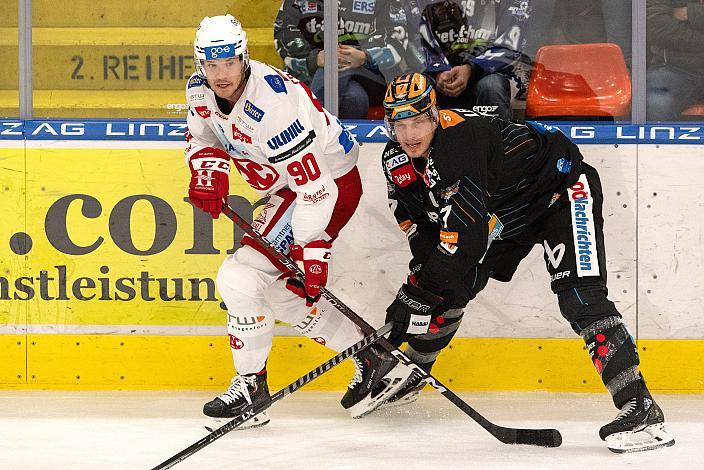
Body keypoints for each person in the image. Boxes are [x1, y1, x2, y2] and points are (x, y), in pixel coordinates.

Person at [372, 72, 675, 453]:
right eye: (400, 124)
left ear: (434, 116)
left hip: (562, 191)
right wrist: (419, 286)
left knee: (580, 298)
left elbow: (465, 242)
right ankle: (413, 372)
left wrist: (416, 291)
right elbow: (422, 227)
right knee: (451, 284)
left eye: (417, 121)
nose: (409, 133)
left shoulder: (459, 144)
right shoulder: (396, 159)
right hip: (505, 210)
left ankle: (641, 407)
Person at [184, 14, 410, 429]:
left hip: (328, 184)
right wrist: (207, 170)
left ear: (244, 59)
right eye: (211, 65)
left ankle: (251, 386)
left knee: (240, 278)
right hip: (291, 188)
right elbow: (203, 138)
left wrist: (312, 249)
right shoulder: (200, 89)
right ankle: (372, 358)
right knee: (278, 292)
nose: (220, 75)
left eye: (229, 63)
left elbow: (317, 190)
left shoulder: (272, 105)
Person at [274, 0, 418, 119]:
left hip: (371, 75)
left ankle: (316, 135)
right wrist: (316, 59)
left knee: (331, 72)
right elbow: (284, 36)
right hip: (312, 73)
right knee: (354, 97)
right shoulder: (297, 2)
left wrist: (364, 57)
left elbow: (396, 43)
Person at [412, 0, 538, 119]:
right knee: (416, 85)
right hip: (442, 73)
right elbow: (418, 39)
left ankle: (500, 139)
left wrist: (471, 69)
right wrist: (438, 71)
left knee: (491, 86)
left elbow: (509, 46)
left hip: (492, 72)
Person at [646, 0, 704, 121]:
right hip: (674, 67)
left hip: (677, 58)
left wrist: (691, 13)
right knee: (655, 104)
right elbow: (656, 27)